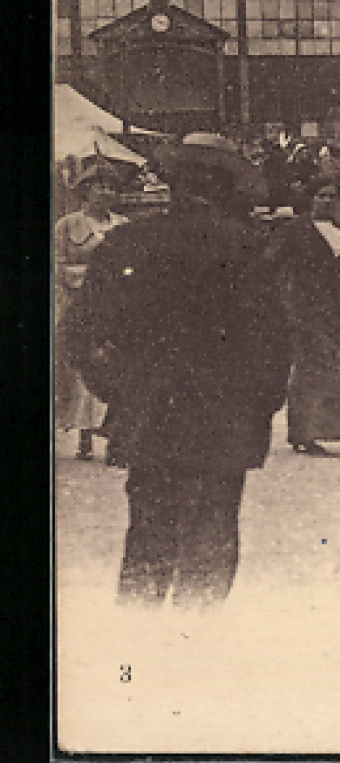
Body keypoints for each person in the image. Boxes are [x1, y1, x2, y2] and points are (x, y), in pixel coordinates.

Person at [76, 133, 289, 606]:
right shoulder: (249, 249)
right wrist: (256, 410)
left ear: (173, 183)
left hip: (151, 417)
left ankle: (138, 653)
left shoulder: (127, 242)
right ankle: (196, 652)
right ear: (227, 188)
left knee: (148, 539)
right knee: (210, 547)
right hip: (225, 424)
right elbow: (276, 349)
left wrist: (119, 391)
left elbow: (79, 333)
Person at [269, 174, 340, 456]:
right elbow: (272, 265)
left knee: (337, 368)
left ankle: (336, 426)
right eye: (322, 195)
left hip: (335, 310)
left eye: (332, 196)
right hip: (304, 311)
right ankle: (306, 432)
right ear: (311, 198)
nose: (327, 201)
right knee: (312, 370)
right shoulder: (294, 231)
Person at [55, 164, 129, 461]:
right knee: (82, 370)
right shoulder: (67, 225)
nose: (106, 192)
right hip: (78, 304)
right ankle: (84, 438)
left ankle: (115, 437)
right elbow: (57, 264)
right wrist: (86, 279)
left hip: (115, 308)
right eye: (99, 186)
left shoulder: (122, 225)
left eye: (111, 187)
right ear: (85, 190)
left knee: (118, 367)